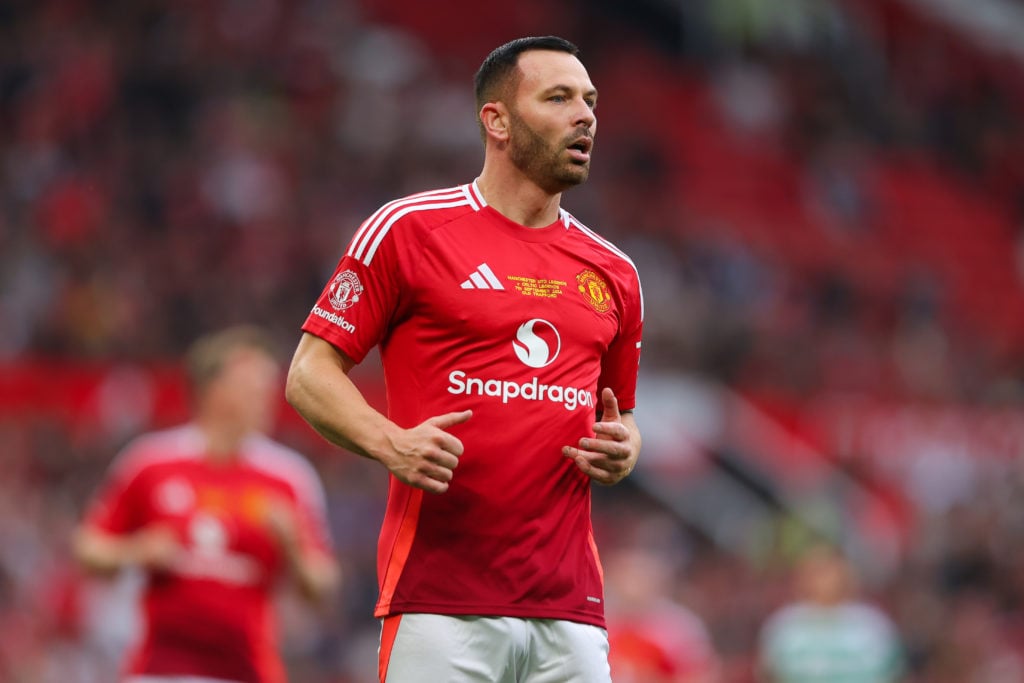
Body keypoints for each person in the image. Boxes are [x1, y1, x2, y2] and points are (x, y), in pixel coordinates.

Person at [286, 35, 643, 683]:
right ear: (497, 120)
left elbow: (619, 416)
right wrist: (389, 441)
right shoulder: (408, 230)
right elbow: (309, 372)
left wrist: (626, 449)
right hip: (441, 601)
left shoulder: (614, 271)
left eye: (590, 100)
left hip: (572, 612)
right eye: (558, 97)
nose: (585, 114)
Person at [73, 325, 340, 683]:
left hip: (248, 671)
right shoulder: (150, 462)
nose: (266, 395)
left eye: (267, 385)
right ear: (212, 389)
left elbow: (324, 584)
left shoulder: (289, 477)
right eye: (251, 384)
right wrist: (135, 551)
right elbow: (89, 547)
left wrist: (292, 547)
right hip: (159, 670)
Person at [757, 544, 905, 683]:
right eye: (818, 570)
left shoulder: (873, 626)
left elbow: (894, 675)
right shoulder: (783, 627)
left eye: (830, 569)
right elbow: (769, 675)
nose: (826, 579)